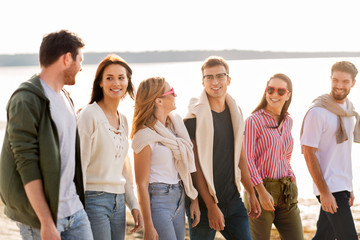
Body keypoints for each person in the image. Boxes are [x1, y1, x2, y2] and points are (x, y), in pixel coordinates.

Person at [0, 30, 93, 240]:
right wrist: (45, 221)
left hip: (75, 210)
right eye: (80, 60)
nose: (81, 67)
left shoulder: (66, 97)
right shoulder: (26, 99)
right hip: (42, 217)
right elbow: (26, 163)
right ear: (67, 58)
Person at [184, 56, 261, 240]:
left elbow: (240, 156)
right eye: (209, 77)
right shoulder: (193, 118)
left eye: (220, 76)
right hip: (203, 204)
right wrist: (211, 206)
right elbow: (194, 168)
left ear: (228, 80)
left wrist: (251, 192)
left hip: (233, 200)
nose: (215, 82)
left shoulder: (236, 112)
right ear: (203, 82)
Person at [77, 54, 142, 240]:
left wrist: (134, 204)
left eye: (121, 78)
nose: (116, 83)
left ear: (128, 81)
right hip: (93, 200)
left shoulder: (123, 120)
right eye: (109, 78)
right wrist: (77, 209)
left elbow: (123, 168)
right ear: (100, 83)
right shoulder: (89, 115)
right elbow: (79, 165)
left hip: (119, 200)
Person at [131, 77, 200, 240]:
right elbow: (141, 184)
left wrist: (194, 199)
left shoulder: (174, 127)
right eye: (172, 92)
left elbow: (182, 170)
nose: (175, 95)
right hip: (159, 201)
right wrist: (148, 226)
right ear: (158, 101)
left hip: (179, 196)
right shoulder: (144, 135)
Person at [301, 61, 359, 239]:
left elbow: (342, 153)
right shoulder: (317, 112)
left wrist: (348, 187)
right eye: (335, 80)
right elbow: (308, 152)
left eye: (345, 81)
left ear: (353, 83)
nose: (339, 85)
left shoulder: (349, 111)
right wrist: (324, 192)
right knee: (349, 237)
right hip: (328, 187)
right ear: (330, 79)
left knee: (324, 235)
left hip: (341, 184)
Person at [243, 73, 303, 240]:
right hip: (261, 189)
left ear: (288, 95)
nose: (274, 94)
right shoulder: (253, 121)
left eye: (280, 91)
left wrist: (292, 175)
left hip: (286, 189)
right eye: (270, 89)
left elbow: (285, 156)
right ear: (265, 92)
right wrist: (261, 192)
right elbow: (247, 160)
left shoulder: (288, 121)